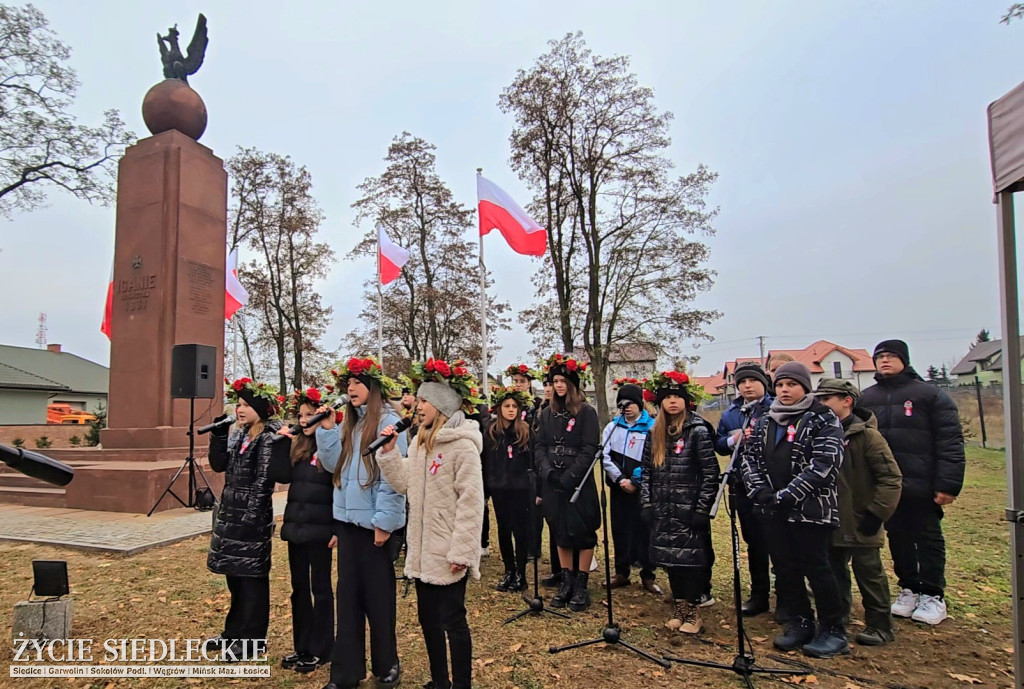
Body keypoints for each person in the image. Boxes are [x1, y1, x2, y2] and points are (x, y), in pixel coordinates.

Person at [376, 357, 485, 689]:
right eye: (418, 400)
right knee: (428, 620)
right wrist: (391, 454)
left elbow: (471, 503)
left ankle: (461, 683)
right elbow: (406, 484)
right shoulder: (422, 442)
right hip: (423, 550)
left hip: (449, 550)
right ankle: (440, 680)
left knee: (453, 620)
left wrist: (462, 551)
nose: (417, 406)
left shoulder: (463, 448)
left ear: (441, 405)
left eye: (423, 400)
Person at [740, 361, 848, 658]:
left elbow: (824, 466)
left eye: (792, 385)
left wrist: (788, 495)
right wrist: (760, 491)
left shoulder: (823, 419)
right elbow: (749, 459)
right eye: (780, 385)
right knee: (785, 567)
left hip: (810, 510)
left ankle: (833, 629)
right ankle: (800, 622)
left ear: (804, 387)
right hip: (772, 510)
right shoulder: (765, 420)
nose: (785, 390)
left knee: (817, 567)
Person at [858, 340, 965, 626]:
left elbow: (950, 441)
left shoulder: (930, 396)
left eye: (891, 356)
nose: (885, 361)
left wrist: (948, 483)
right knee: (898, 536)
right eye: (880, 357)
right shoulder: (866, 398)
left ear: (904, 360)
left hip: (922, 482)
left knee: (928, 537)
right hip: (884, 487)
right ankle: (908, 588)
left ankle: (933, 594)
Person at [316, 357, 407, 689]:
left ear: (373, 388)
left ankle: (387, 665)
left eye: (357, 383)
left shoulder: (389, 423)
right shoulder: (348, 424)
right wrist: (326, 431)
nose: (351, 389)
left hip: (375, 529)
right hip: (348, 525)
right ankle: (346, 672)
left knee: (378, 600)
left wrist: (384, 522)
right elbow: (332, 467)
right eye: (348, 384)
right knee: (348, 599)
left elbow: (393, 478)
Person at [813, 378, 902, 646]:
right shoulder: (818, 432)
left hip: (860, 518)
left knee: (869, 573)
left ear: (846, 401)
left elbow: (891, 478)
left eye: (826, 399)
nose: (821, 404)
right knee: (832, 572)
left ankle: (880, 625)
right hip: (827, 518)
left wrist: (876, 514)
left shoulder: (868, 436)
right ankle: (836, 620)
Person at [205, 378, 285, 661]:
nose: (239, 410)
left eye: (246, 405)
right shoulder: (239, 434)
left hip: (250, 519)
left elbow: (264, 480)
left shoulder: (267, 436)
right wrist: (217, 436)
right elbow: (219, 466)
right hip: (230, 515)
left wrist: (251, 517)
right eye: (238, 404)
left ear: (260, 409)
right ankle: (233, 632)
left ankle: (253, 640)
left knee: (251, 581)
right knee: (235, 579)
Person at [640, 372, 719, 634]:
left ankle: (693, 611)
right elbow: (647, 471)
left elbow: (710, 473)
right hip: (664, 508)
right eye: (668, 397)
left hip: (689, 509)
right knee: (671, 560)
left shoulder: (697, 430)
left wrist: (701, 508)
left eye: (677, 397)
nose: (673, 401)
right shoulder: (655, 433)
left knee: (691, 561)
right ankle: (679, 607)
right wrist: (647, 503)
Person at [273, 387, 339, 673]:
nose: (304, 420)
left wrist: (337, 527)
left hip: (321, 530)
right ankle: (302, 645)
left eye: (309, 415)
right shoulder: (297, 445)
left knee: (320, 589)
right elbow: (282, 476)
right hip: (297, 527)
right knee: (298, 589)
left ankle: (322, 648)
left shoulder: (330, 446)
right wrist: (279, 445)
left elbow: (339, 488)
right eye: (300, 415)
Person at [534, 353, 601, 612]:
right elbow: (540, 445)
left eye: (563, 380)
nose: (558, 385)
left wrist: (571, 476)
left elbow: (589, 448)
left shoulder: (586, 412)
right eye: (555, 380)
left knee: (582, 531)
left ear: (573, 384)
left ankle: (581, 583)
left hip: (578, 482)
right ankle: (567, 579)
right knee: (559, 530)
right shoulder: (547, 413)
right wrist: (547, 472)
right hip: (552, 479)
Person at [714, 362, 774, 616]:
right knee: (754, 542)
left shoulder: (775, 408)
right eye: (742, 382)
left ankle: (789, 597)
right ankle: (759, 594)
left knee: (779, 542)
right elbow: (719, 443)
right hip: (741, 484)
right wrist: (733, 439)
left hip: (772, 485)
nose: (747, 386)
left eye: (752, 381)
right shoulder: (731, 413)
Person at [602, 380, 661, 595]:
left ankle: (648, 574)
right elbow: (605, 456)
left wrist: (635, 481)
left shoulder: (652, 427)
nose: (626, 407)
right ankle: (621, 572)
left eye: (631, 402)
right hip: (619, 488)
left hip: (642, 488)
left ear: (640, 404)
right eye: (622, 403)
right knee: (620, 530)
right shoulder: (612, 427)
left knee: (644, 530)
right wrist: (619, 479)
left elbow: (653, 457)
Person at [482, 385, 535, 593]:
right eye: (507, 406)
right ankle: (509, 570)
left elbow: (532, 462)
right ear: (500, 408)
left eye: (514, 406)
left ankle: (521, 572)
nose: (511, 410)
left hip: (520, 489)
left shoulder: (525, 432)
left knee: (520, 531)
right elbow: (487, 462)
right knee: (503, 530)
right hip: (500, 489)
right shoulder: (493, 433)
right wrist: (488, 487)